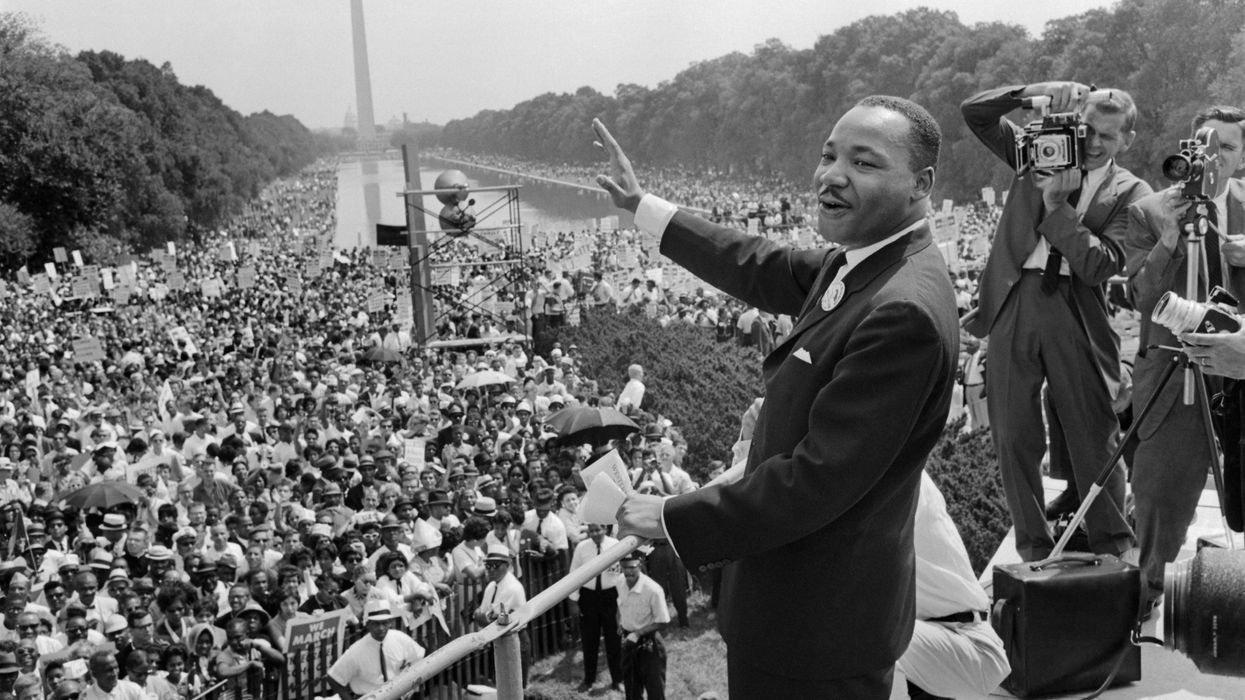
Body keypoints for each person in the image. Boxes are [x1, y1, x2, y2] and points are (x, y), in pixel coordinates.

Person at [597, 94, 959, 697]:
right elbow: (760, 264)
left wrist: (669, 516)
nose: (832, 175)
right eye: (828, 155)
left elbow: (817, 480)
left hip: (816, 630)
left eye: (864, 162)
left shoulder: (903, 310)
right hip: (803, 613)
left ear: (921, 184)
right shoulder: (868, 262)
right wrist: (644, 207)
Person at [961, 81, 1148, 562]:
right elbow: (976, 113)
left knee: (1094, 434)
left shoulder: (1133, 192)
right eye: (1087, 129)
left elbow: (1100, 265)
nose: (1093, 142)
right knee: (1012, 434)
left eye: (1107, 135)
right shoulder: (1037, 151)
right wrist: (1032, 91)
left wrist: (1056, 208)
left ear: (1127, 140)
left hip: (1076, 308)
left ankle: (1112, 546)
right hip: (1014, 299)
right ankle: (1033, 548)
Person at [1124, 105, 1245, 607]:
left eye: (1228, 146)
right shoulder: (1150, 211)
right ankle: (1148, 596)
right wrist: (1170, 239)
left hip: (1240, 365)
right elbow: (1142, 298)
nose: (1216, 156)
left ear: (1242, 156)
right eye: (1206, 144)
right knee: (1161, 493)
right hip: (1175, 371)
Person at [327, 599, 425, 700]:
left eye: (384, 623)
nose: (381, 628)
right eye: (376, 624)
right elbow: (333, 678)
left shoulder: (400, 639)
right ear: (367, 624)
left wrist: (410, 687)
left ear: (390, 623)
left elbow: (419, 658)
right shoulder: (356, 651)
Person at [568, 523, 622, 692]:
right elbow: (574, 573)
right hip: (588, 597)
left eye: (598, 530)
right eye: (591, 531)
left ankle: (618, 679)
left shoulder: (615, 545)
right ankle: (589, 679)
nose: (595, 534)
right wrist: (574, 600)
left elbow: (622, 573)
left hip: (611, 596)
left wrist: (623, 601)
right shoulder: (582, 548)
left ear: (605, 529)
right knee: (589, 640)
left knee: (614, 640)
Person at [616, 553, 669, 700]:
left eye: (632, 567)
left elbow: (663, 621)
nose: (628, 572)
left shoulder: (653, 590)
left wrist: (638, 633)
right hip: (628, 643)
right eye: (624, 567)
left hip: (649, 644)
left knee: (655, 692)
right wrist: (620, 621)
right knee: (632, 690)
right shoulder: (620, 582)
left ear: (640, 566)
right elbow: (620, 603)